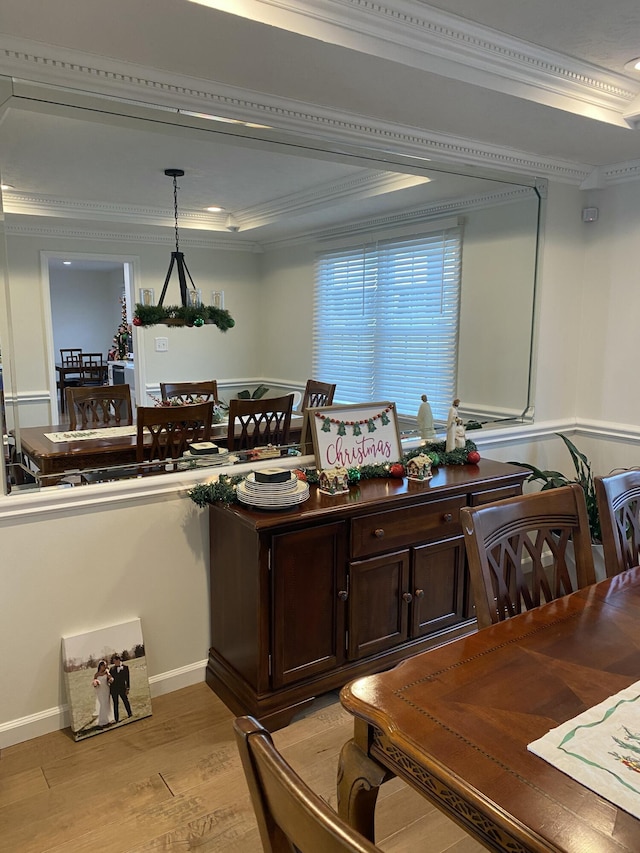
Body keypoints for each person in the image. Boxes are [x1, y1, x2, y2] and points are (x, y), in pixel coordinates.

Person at [109, 655, 132, 723]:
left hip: (122, 688)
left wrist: (127, 688)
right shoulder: (112, 669)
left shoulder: (125, 667)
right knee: (115, 703)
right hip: (114, 689)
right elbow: (109, 678)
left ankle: (130, 713)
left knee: (125, 701)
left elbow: (127, 679)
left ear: (118, 660)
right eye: (113, 661)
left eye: (115, 661)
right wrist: (109, 680)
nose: (114, 662)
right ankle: (116, 719)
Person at [92, 660, 114, 728]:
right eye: (103, 665)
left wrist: (111, 680)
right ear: (100, 666)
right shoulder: (96, 674)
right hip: (99, 690)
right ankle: (103, 720)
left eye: (105, 665)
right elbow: (94, 682)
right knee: (102, 704)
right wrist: (95, 683)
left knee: (106, 704)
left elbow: (111, 678)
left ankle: (107, 719)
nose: (104, 666)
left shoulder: (106, 672)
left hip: (106, 689)